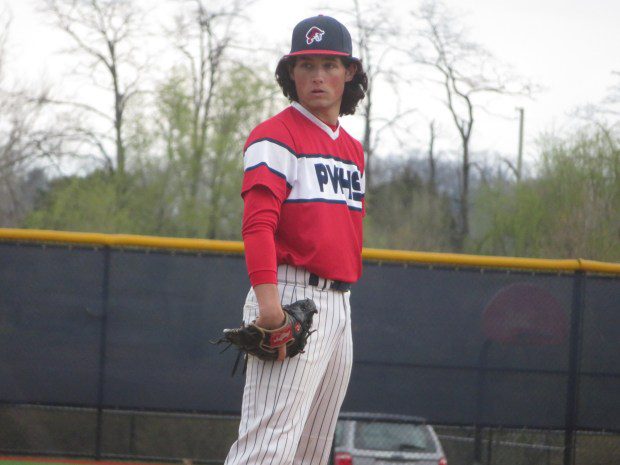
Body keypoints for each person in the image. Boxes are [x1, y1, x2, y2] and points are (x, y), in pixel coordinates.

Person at [224, 14, 368, 465]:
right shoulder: (275, 135)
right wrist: (269, 307)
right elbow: (258, 225)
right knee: (267, 447)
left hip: (339, 306)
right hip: (288, 295)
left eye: (329, 63)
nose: (318, 75)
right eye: (305, 65)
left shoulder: (351, 149)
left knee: (309, 450)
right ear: (291, 74)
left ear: (349, 73)